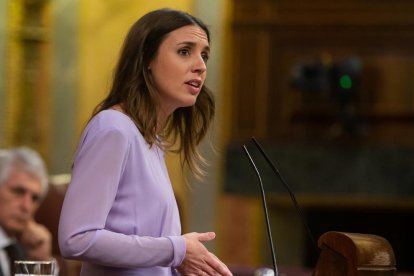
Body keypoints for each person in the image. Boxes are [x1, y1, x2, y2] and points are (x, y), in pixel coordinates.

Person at [58, 8, 233, 276]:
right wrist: (176, 250)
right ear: (146, 59)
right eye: (185, 51)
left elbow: (146, 248)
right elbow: (77, 239)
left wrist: (181, 260)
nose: (200, 65)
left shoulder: (150, 139)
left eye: (204, 55)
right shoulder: (113, 128)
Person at [0, 147, 54, 276]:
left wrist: (41, 265)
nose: (27, 206)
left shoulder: (26, 248)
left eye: (35, 198)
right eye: (18, 191)